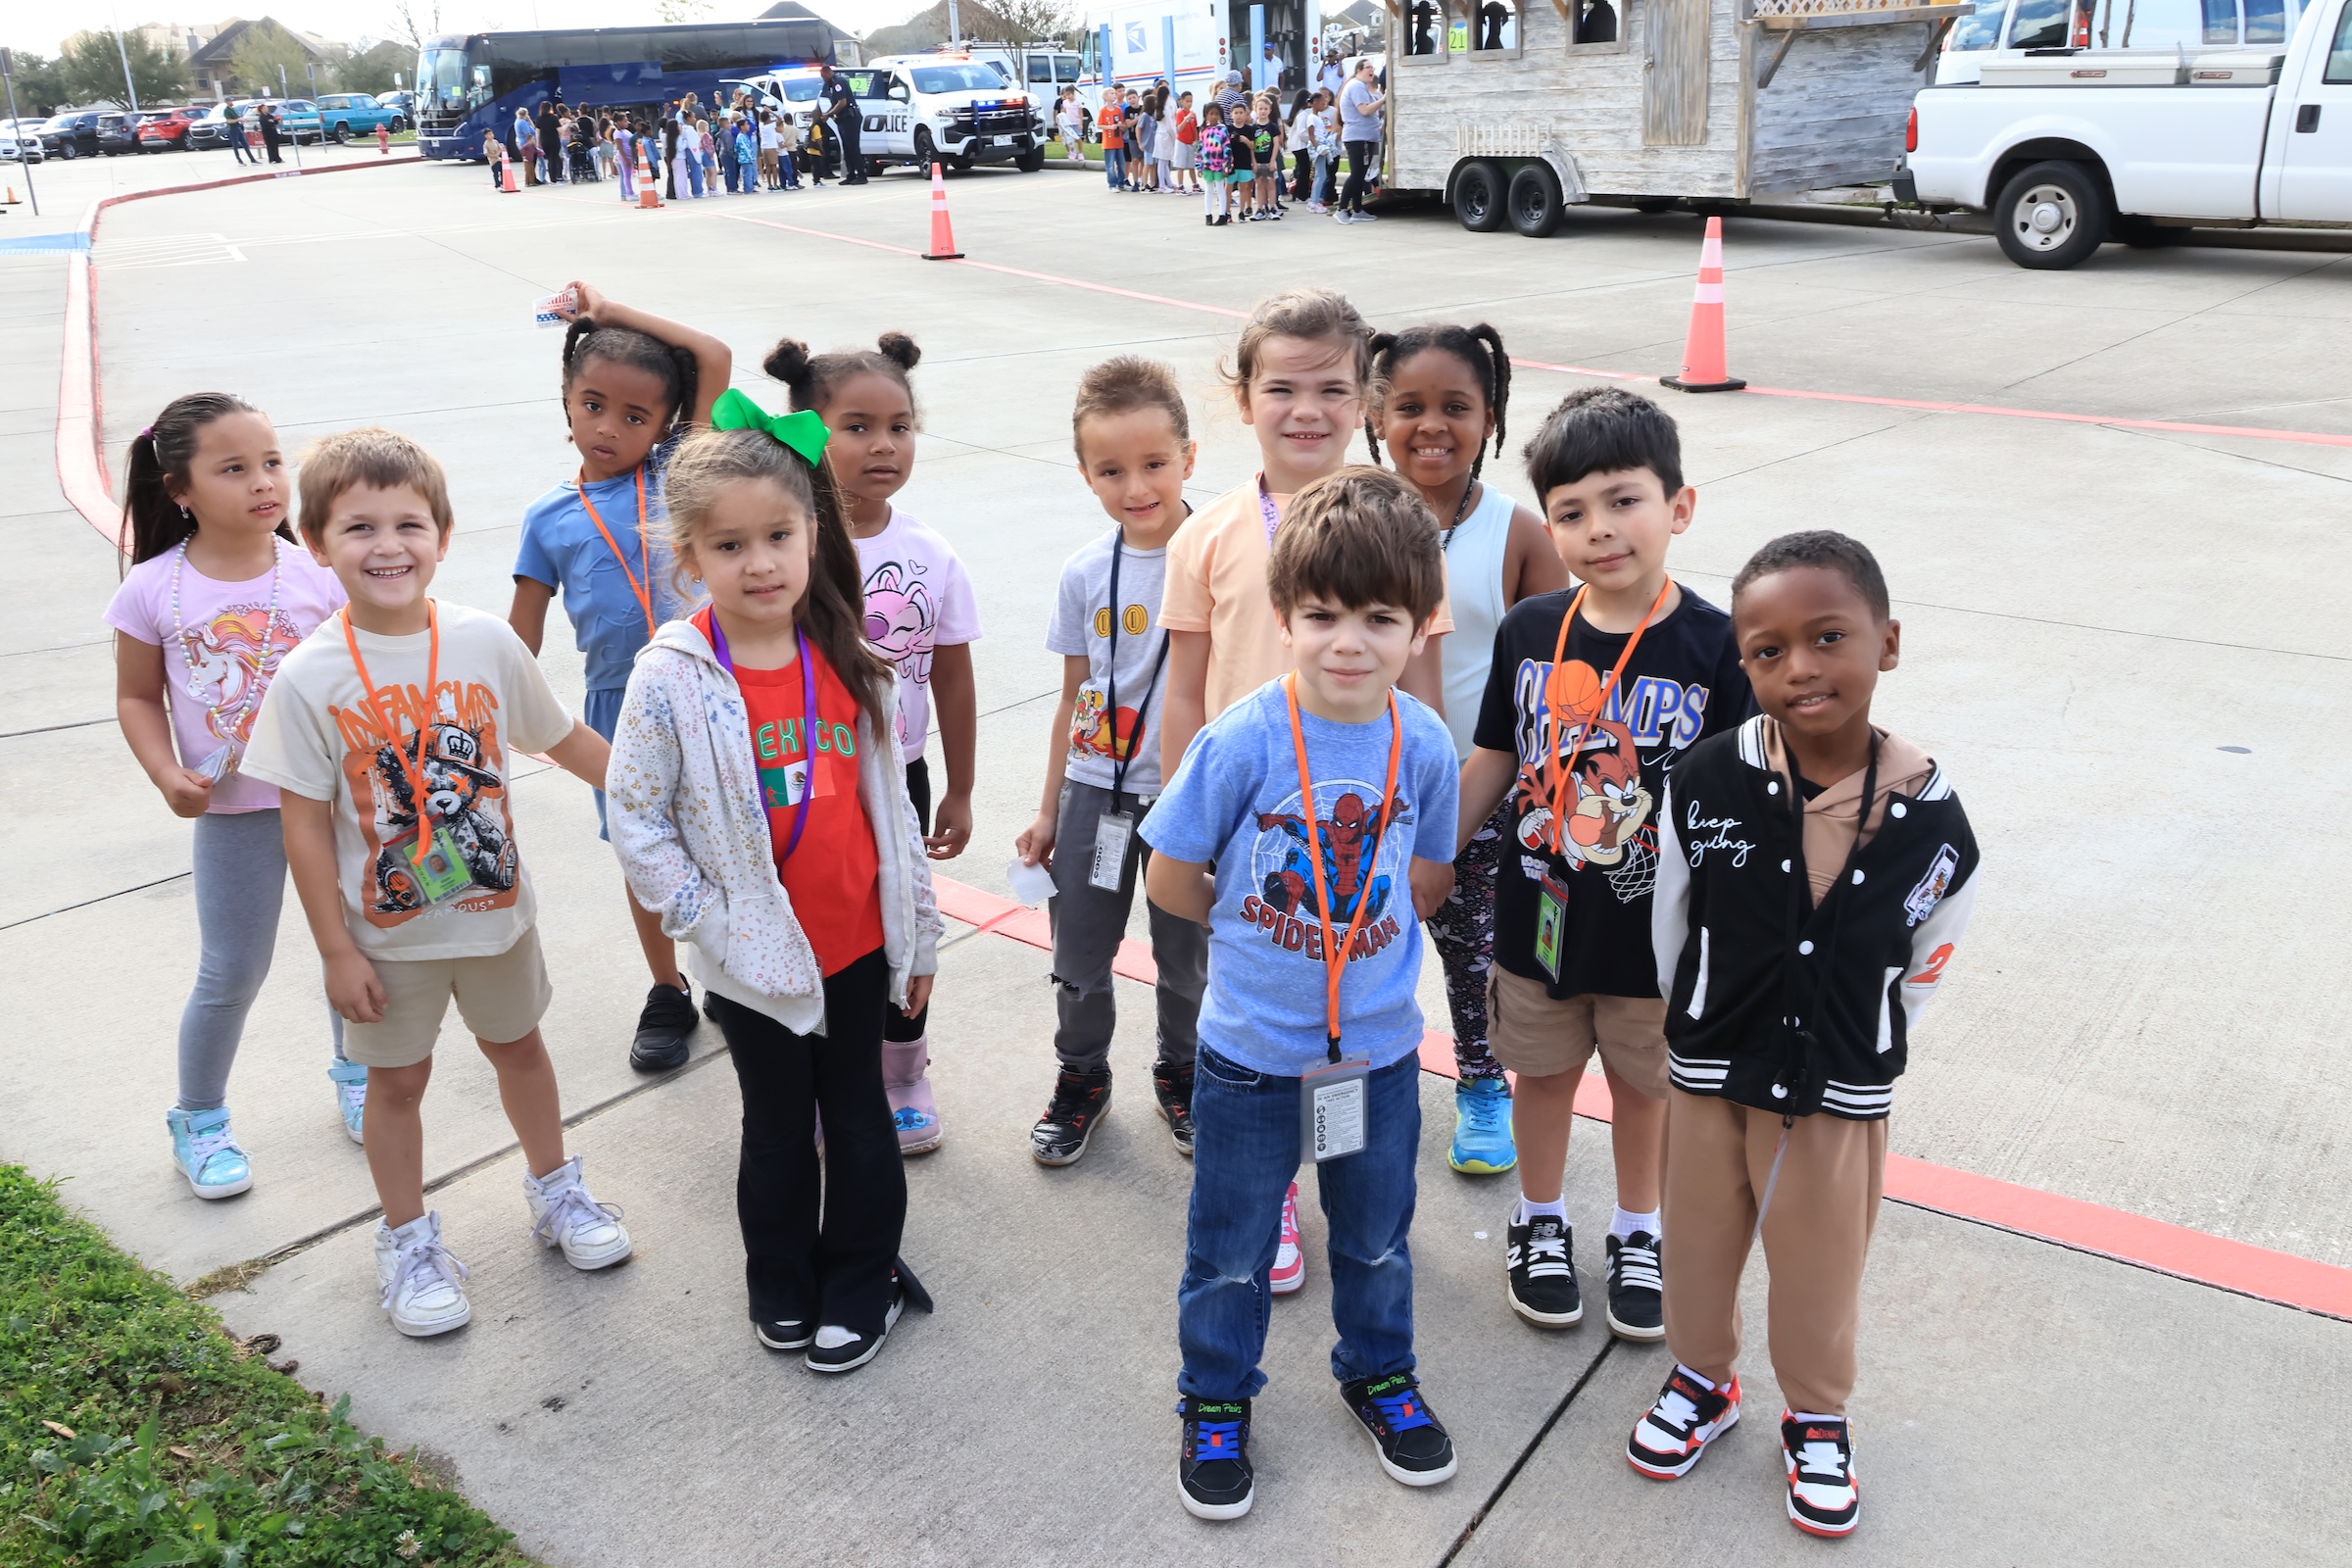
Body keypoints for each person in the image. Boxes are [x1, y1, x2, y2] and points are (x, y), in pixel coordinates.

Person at [241, 428, 631, 1339]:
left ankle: (556, 1192)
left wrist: (656, 791)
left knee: (522, 1052)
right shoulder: (308, 677)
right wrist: (335, 950)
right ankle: (407, 1239)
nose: (387, 546)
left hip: (497, 920)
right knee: (398, 1086)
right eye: (359, 527)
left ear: (444, 536)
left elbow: (561, 738)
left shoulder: (485, 643)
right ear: (315, 540)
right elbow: (301, 821)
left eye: (409, 524)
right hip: (386, 939)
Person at [1627, 531, 1979, 1540]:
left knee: (1819, 1264)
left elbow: (1925, 964)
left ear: (1888, 642)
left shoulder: (1933, 821)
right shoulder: (1702, 782)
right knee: (1695, 1243)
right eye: (1767, 649)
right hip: (1706, 1071)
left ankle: (1816, 1415)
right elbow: (1672, 925)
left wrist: (1858, 1038)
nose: (1799, 668)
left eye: (1828, 637)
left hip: (1835, 1092)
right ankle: (1703, 1380)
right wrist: (1701, 1014)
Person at [1145, 466, 1461, 1521]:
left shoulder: (1423, 742)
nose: (1349, 642)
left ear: (1420, 624)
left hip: (1374, 1054)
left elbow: (1428, 870)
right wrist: (1260, 921)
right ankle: (1217, 1394)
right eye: (1322, 614)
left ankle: (1378, 1370)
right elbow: (1168, 875)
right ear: (1283, 616)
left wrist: (1358, 936)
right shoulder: (1239, 739)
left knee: (1375, 1235)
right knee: (1230, 1252)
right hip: (1248, 1059)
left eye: (1381, 618)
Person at [607, 407, 942, 1373]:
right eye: (730, 544)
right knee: (774, 1127)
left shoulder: (850, 659)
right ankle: (781, 1280)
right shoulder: (672, 677)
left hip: (856, 945)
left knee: (860, 1118)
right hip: (751, 958)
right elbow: (638, 818)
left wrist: (916, 935)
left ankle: (862, 1278)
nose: (759, 562)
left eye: (778, 537)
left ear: (811, 536)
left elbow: (896, 815)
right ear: (690, 557)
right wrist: (705, 922)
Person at [1158, 289, 1454, 1295]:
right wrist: (1180, 826)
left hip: (1359, 822)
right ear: (1243, 399)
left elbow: (1422, 690)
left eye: (1332, 388)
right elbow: (1186, 689)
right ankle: (1273, 1189)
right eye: (1281, 387)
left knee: (1345, 1017)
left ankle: (1347, 1179)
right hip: (1249, 832)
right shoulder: (1208, 536)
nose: (1306, 409)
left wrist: (1418, 833)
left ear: (1364, 396)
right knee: (1257, 1027)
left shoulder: (1400, 530)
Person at [1449, 387, 1749, 1344]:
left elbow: (1746, 803)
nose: (1599, 528)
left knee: (1645, 1088)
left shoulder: (1718, 647)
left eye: (1624, 500)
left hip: (1660, 938)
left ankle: (1638, 1228)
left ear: (1680, 507)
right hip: (1537, 913)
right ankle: (1539, 1218)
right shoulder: (1530, 630)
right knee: (1540, 1077)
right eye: (1571, 511)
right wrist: (1433, 848)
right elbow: (1496, 754)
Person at [105, 393, 358, 1198]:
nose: (264, 483)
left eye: (273, 462)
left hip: (333, 804)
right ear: (180, 489)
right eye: (235, 468)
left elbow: (363, 669)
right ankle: (200, 1118)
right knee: (231, 972)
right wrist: (166, 773)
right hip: (235, 815)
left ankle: (360, 1075)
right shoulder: (151, 590)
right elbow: (138, 697)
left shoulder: (320, 569)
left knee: (353, 950)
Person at [764, 334, 977, 1155]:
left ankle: (904, 1070)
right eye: (857, 426)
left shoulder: (930, 551)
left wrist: (957, 788)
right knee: (821, 929)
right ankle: (829, 1074)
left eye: (899, 426)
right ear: (809, 435)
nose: (884, 445)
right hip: (808, 783)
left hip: (902, 777)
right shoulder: (788, 547)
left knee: (904, 928)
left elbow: (953, 676)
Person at [509, 283, 730, 1071]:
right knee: (644, 852)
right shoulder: (547, 517)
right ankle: (668, 990)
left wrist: (605, 310)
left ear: (666, 424)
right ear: (567, 400)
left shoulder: (681, 470)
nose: (609, 428)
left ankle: (732, 974)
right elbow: (520, 637)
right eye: (593, 404)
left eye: (635, 416)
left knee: (729, 833)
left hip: (711, 687)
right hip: (616, 710)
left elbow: (712, 356)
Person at [1363, 324, 1565, 1175]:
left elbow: (1552, 685)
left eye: (1457, 407)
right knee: (1354, 951)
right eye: (1409, 407)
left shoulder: (1519, 534)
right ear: (1378, 415)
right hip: (1355, 786)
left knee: (1474, 953)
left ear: (1492, 416)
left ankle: (1483, 1084)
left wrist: (1468, 818)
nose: (1432, 426)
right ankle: (1364, 1082)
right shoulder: (1353, 517)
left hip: (1479, 792)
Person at [1016, 358, 1208, 1167]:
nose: (1137, 486)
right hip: (1100, 791)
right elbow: (1072, 695)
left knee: (1185, 960)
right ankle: (1082, 1075)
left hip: (1189, 801)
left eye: (1155, 464)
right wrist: (1049, 806)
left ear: (1189, 459)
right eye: (1112, 470)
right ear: (1086, 473)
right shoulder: (1085, 571)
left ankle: (1186, 1072)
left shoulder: (1219, 555)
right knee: (1081, 957)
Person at [1337, 59, 1384, 222]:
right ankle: (1342, 209)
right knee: (1357, 173)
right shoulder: (1356, 86)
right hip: (1358, 137)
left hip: (1365, 137)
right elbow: (1364, 110)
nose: (1372, 70)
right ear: (1359, 70)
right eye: (1368, 67)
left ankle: (1357, 209)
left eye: (1373, 67)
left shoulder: (1363, 87)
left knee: (1361, 173)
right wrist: (1384, 99)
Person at [817, 63, 864, 183]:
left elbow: (842, 102)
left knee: (853, 147)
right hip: (843, 119)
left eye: (823, 76)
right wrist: (826, 114)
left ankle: (861, 175)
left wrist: (828, 115)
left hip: (850, 118)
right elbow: (834, 104)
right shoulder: (832, 84)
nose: (823, 79)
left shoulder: (838, 82)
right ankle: (851, 174)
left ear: (828, 73)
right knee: (846, 148)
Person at [1197, 102, 1233, 225]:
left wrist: (1227, 163)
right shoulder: (1203, 130)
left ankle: (1223, 214)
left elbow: (1227, 147)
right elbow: (1200, 148)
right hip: (1207, 165)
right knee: (1208, 189)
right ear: (1206, 115)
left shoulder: (1222, 129)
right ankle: (1208, 214)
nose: (1214, 116)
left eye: (1217, 114)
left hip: (1219, 165)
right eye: (1211, 114)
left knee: (1220, 189)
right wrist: (1199, 165)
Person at [1247, 96, 1283, 219]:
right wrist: (1253, 162)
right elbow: (1251, 146)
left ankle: (1272, 208)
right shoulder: (1253, 128)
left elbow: (1276, 144)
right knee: (1259, 185)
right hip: (1258, 161)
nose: (1263, 111)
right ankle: (1261, 209)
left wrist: (1273, 161)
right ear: (1255, 109)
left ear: (1270, 110)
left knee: (1271, 184)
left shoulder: (1272, 127)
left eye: (1265, 109)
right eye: (1260, 108)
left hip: (1269, 161)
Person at [1307, 92, 1341, 212]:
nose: (1324, 105)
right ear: (1315, 103)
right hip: (1318, 147)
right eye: (1322, 102)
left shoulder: (1317, 117)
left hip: (1321, 146)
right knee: (1320, 175)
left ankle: (1315, 200)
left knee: (1321, 175)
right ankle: (1314, 202)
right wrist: (1318, 148)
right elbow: (1311, 135)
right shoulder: (1312, 118)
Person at [1285, 90, 1316, 206]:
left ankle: (1298, 193)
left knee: (1301, 170)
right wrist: (1312, 140)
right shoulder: (1302, 114)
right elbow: (1302, 133)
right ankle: (1302, 196)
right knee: (1304, 171)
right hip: (1300, 145)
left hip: (1296, 145)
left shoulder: (1297, 113)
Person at [1098, 87, 1127, 190]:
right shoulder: (1103, 110)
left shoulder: (1118, 110)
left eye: (1115, 93)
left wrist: (1120, 125)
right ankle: (1112, 184)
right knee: (1110, 165)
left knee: (1121, 164)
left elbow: (1122, 123)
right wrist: (1110, 127)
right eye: (1112, 93)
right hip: (1108, 142)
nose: (1114, 95)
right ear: (1105, 97)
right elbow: (1099, 125)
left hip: (1118, 141)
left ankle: (1121, 182)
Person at [1171, 91, 1199, 192]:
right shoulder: (1180, 113)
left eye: (1191, 101)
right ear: (1181, 101)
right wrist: (1185, 119)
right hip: (1181, 141)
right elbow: (1179, 128)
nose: (1189, 103)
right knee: (1181, 165)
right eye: (1187, 101)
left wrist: (1196, 140)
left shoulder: (1193, 114)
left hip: (1190, 142)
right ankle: (1180, 185)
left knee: (1191, 165)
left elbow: (1195, 128)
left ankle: (1195, 184)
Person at [1132, 91, 1157, 191]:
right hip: (1148, 144)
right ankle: (1144, 184)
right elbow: (1138, 128)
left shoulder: (1154, 115)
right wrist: (1140, 142)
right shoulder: (1145, 116)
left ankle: (1153, 183)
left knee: (1154, 165)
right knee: (1147, 164)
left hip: (1155, 144)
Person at [536, 99, 561, 182]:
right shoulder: (554, 118)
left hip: (544, 141)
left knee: (550, 160)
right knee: (554, 160)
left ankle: (552, 179)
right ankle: (554, 179)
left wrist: (538, 143)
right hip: (554, 140)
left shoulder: (539, 118)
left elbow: (538, 132)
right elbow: (559, 130)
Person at [223, 100, 249, 164]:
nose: (232, 102)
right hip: (232, 129)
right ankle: (239, 159)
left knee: (245, 144)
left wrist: (243, 119)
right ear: (227, 102)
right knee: (235, 145)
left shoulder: (234, 109)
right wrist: (238, 119)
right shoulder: (226, 111)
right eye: (230, 101)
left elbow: (238, 117)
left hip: (238, 127)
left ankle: (252, 159)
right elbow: (229, 121)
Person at [258, 101, 282, 166]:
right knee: (270, 146)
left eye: (266, 108)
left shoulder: (269, 115)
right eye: (264, 108)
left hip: (273, 131)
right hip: (267, 133)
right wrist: (271, 122)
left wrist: (272, 121)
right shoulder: (262, 117)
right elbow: (266, 123)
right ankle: (271, 159)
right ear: (261, 110)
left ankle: (277, 158)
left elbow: (276, 121)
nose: (266, 109)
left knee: (275, 145)